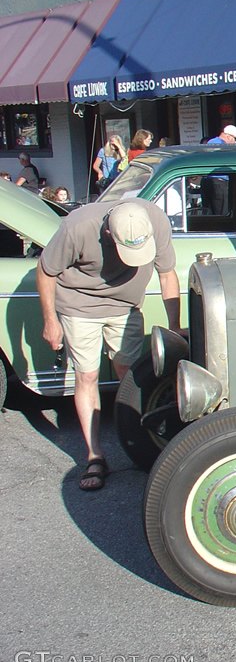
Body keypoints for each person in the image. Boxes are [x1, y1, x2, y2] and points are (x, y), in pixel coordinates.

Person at [36, 199, 179, 491]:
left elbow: (167, 275)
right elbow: (46, 271)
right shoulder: (77, 226)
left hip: (126, 307)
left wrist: (174, 328)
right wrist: (51, 321)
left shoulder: (156, 220)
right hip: (79, 307)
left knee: (130, 375)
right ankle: (94, 456)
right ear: (109, 235)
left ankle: (139, 445)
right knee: (86, 375)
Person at [202, 124, 236, 215]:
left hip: (207, 181)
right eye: (235, 139)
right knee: (222, 215)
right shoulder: (224, 147)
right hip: (219, 183)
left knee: (209, 214)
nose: (235, 142)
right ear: (228, 136)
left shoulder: (211, 142)